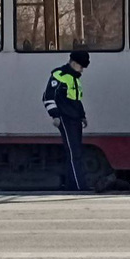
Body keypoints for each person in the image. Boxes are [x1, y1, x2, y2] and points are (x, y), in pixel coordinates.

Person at [43, 51, 89, 191]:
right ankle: (78, 186)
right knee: (74, 152)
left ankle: (72, 184)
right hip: (65, 119)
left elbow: (76, 100)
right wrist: (55, 115)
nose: (82, 70)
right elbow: (47, 97)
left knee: (76, 152)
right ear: (74, 63)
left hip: (75, 119)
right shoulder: (59, 76)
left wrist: (82, 116)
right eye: (81, 66)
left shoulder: (74, 78)